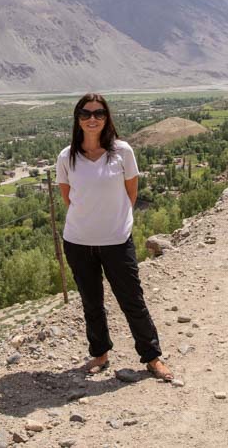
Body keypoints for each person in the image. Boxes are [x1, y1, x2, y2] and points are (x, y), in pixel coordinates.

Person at [55, 92, 173, 381]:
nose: (92, 119)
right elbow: (69, 199)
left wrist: (113, 220)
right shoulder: (66, 157)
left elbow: (130, 193)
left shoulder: (123, 152)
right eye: (86, 113)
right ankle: (100, 354)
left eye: (98, 113)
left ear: (107, 118)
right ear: (77, 118)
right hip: (78, 241)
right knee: (91, 300)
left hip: (117, 240)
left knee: (132, 299)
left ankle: (152, 357)